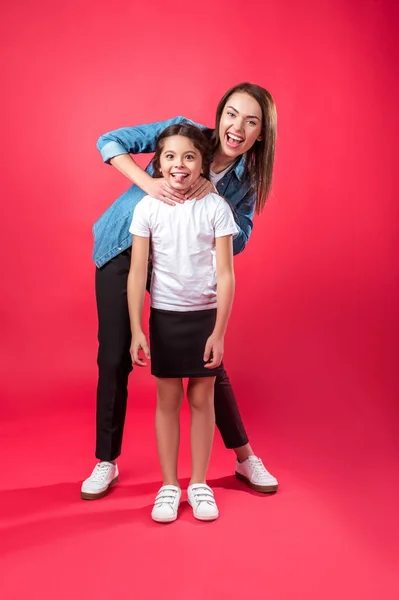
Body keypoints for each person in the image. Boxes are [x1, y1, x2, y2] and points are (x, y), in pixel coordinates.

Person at [81, 82, 279, 501]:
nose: (237, 127)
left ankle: (244, 457)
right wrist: (148, 184)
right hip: (124, 247)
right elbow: (109, 141)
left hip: (180, 268)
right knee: (115, 352)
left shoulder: (245, 179)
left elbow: (239, 237)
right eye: (232, 114)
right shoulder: (184, 134)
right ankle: (106, 460)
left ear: (261, 133)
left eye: (251, 122)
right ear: (220, 114)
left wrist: (215, 203)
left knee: (209, 363)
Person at [128, 124, 236, 522]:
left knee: (202, 399)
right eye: (170, 156)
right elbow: (138, 270)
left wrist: (219, 331)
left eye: (189, 156)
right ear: (158, 162)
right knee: (168, 401)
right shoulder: (147, 206)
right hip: (165, 314)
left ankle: (200, 483)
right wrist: (138, 328)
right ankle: (170, 484)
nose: (179, 164)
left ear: (203, 163)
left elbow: (225, 273)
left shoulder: (215, 207)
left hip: (205, 316)